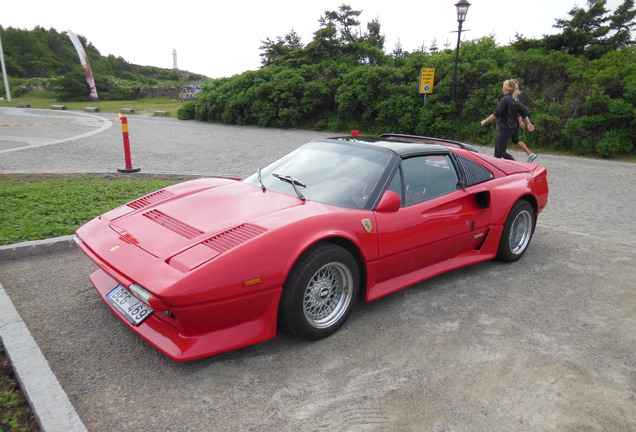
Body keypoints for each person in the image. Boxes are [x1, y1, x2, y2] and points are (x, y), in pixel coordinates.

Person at [481, 79, 535, 160]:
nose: (502, 90)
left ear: (506, 89)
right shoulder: (515, 99)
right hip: (513, 127)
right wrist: (528, 123)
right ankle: (496, 167)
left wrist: (485, 121)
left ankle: (515, 165)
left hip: (506, 127)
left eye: (503, 88)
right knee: (497, 152)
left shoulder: (505, 99)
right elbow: (524, 112)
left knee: (500, 151)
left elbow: (496, 113)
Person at [511, 80, 537, 163]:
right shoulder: (516, 95)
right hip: (512, 120)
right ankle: (530, 154)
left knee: (502, 138)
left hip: (512, 121)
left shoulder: (515, 95)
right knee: (515, 140)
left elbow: (518, 110)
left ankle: (499, 157)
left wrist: (520, 121)